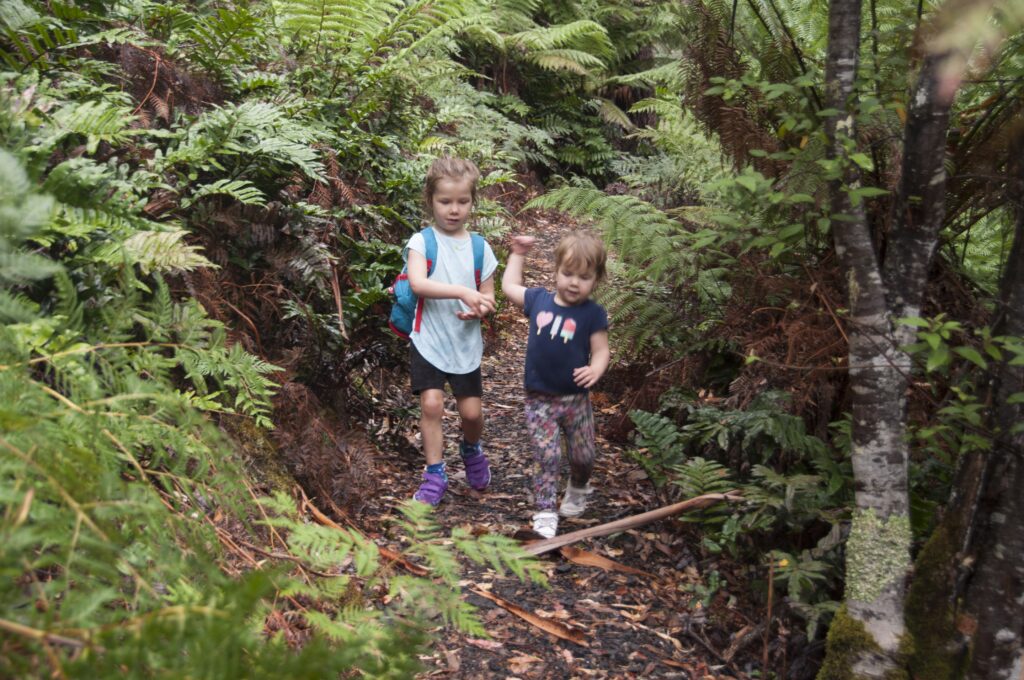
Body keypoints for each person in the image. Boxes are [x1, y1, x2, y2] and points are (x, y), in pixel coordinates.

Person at [502, 231, 610, 538]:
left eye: (584, 277)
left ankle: (577, 487)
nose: (574, 282)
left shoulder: (592, 314)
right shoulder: (539, 300)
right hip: (539, 400)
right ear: (556, 271)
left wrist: (595, 369)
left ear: (596, 280)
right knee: (546, 455)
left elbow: (601, 350)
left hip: (576, 400)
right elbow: (509, 286)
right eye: (568, 274)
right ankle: (545, 509)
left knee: (583, 455)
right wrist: (518, 254)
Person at [404, 157, 498, 506]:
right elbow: (417, 284)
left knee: (472, 412)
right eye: (445, 201)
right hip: (428, 339)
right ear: (430, 200)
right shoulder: (421, 242)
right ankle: (435, 472)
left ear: (473, 201)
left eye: (463, 201)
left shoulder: (479, 248)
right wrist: (460, 291)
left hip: (464, 342)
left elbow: (489, 296)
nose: (454, 210)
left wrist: (481, 306)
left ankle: (471, 448)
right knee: (431, 404)